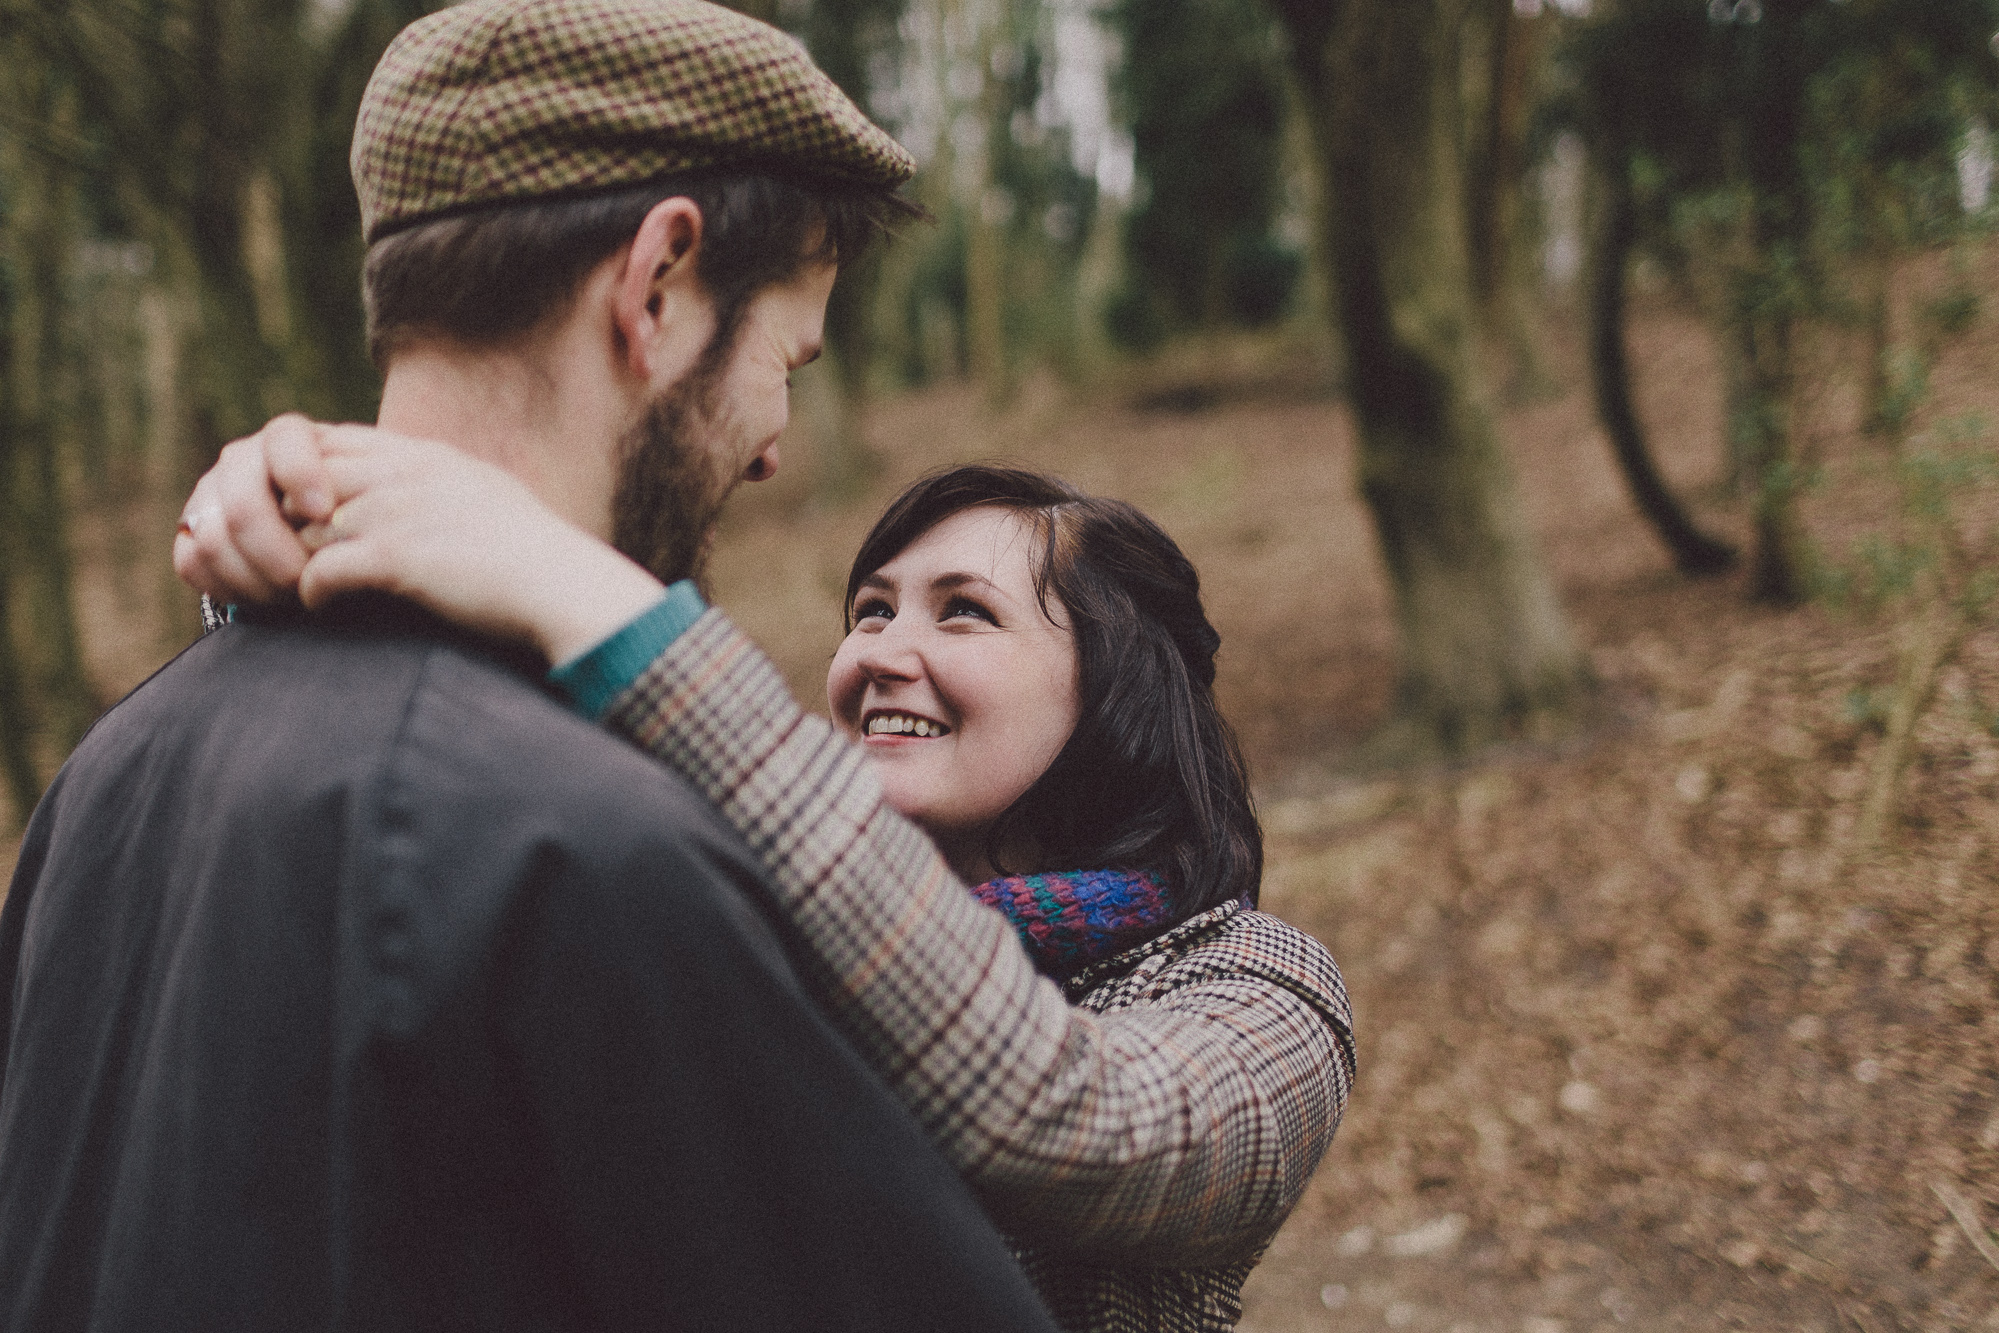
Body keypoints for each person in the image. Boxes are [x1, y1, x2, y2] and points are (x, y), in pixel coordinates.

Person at [0, 3, 1065, 1330]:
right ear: (657, 283)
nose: (774, 444)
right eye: (785, 357)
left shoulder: (109, 774)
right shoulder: (591, 850)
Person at [182, 426, 1358, 1329]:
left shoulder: (1258, 990)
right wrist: (288, 537)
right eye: (868, 610)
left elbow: (1081, 1126)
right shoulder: (722, 901)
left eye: (964, 614)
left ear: (1115, 687)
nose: (880, 654)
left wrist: (615, 613)